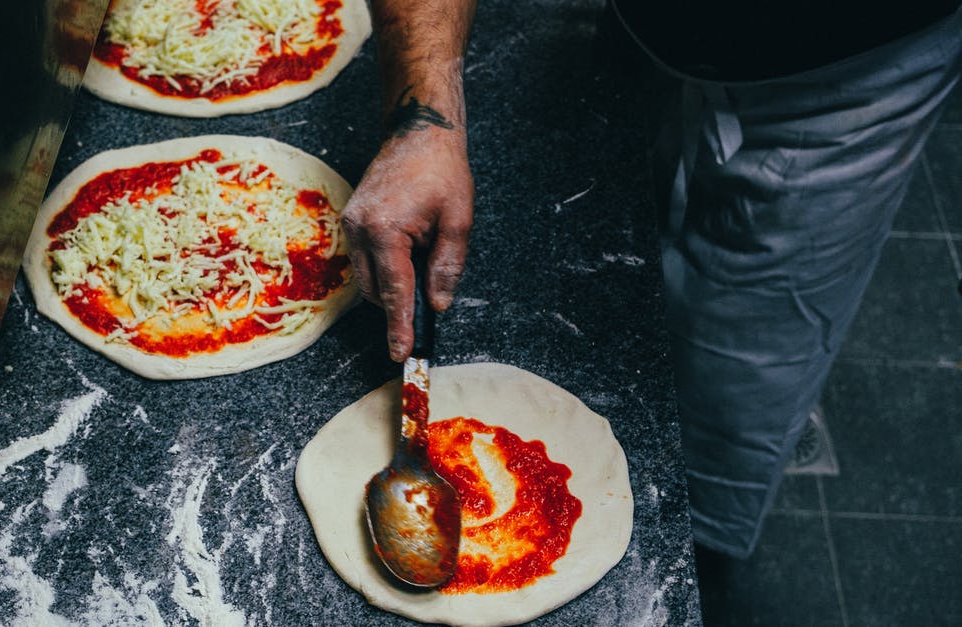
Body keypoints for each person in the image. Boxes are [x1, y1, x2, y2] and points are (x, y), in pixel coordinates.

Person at [343, 0, 962, 571]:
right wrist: (422, 119)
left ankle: (690, 551)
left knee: (750, 355)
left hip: (848, 63)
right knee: (610, 230)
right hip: (644, 26)